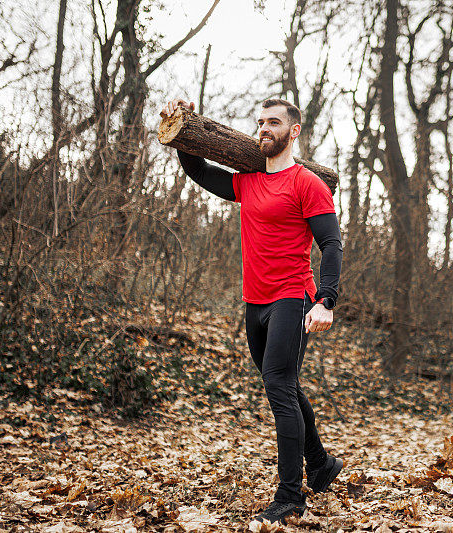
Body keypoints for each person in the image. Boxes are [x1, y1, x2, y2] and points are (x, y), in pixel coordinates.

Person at [159, 97, 344, 524]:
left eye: (274, 122)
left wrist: (326, 300)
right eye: (260, 122)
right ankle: (320, 464)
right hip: (254, 300)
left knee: (279, 385)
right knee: (285, 385)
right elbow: (199, 171)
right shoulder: (248, 182)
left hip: (291, 297)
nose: (264, 128)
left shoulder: (307, 184)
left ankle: (290, 495)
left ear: (293, 131)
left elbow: (331, 244)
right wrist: (185, 127)